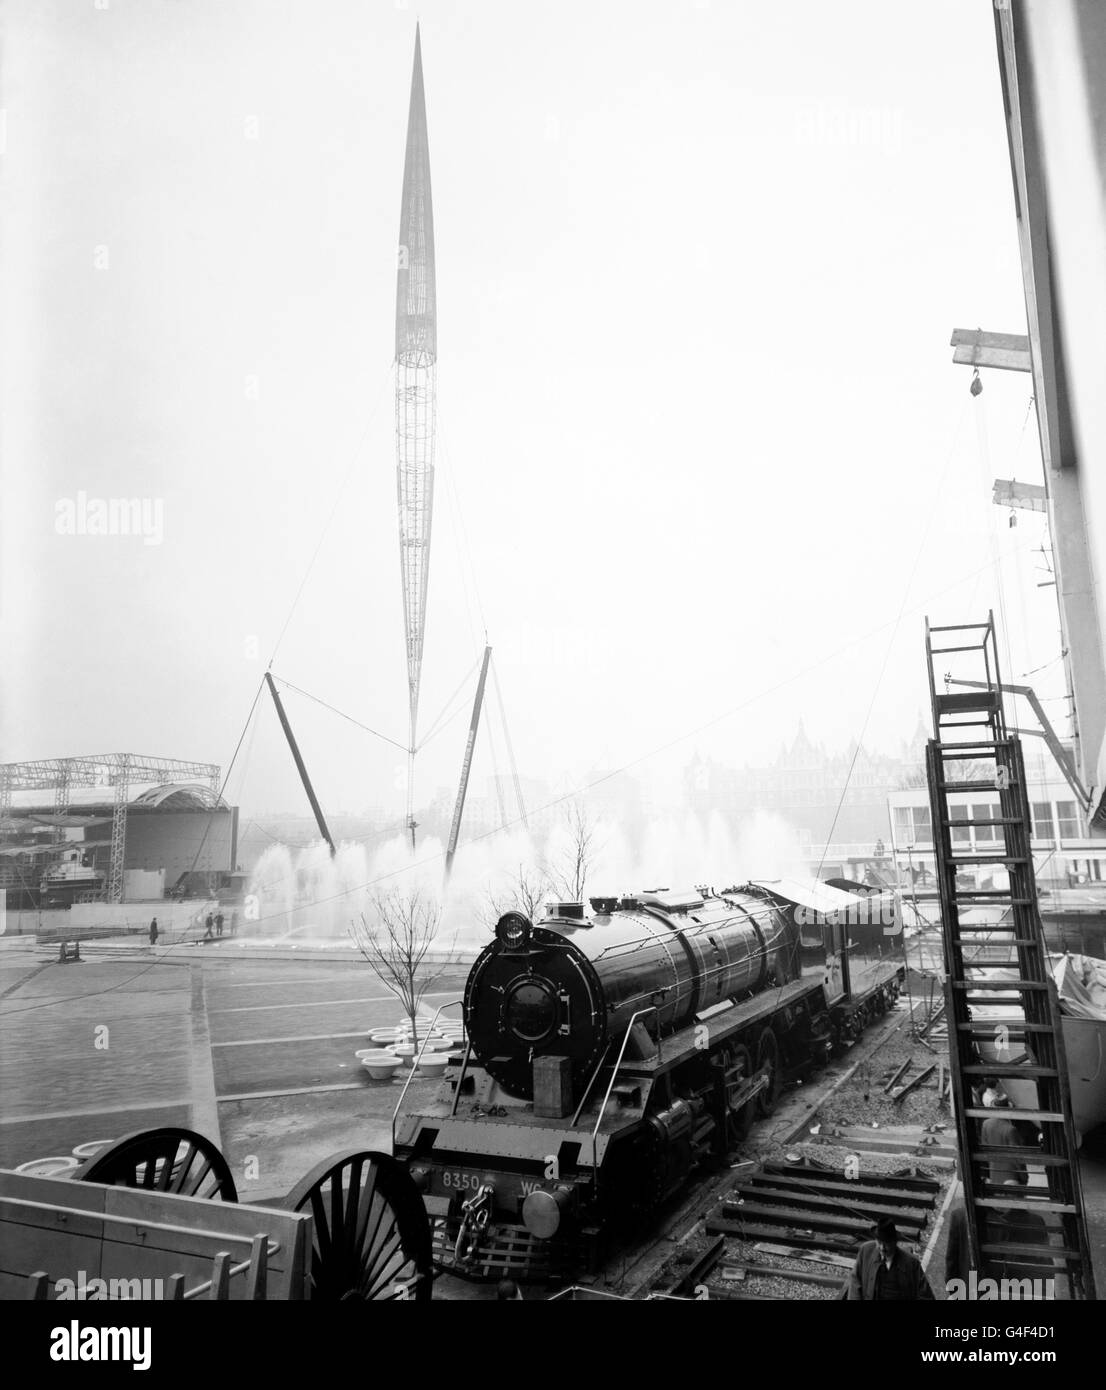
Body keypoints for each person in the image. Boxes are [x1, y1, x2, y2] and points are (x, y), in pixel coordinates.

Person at [847, 1217, 934, 1300]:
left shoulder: (911, 1264)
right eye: (879, 1242)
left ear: (895, 1242)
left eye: (886, 1243)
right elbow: (855, 1281)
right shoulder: (866, 1251)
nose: (882, 1248)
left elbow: (925, 1295)